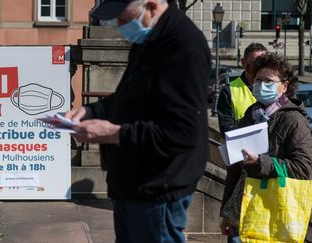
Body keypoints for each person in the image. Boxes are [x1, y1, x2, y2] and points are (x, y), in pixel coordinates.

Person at [65, 0, 211, 242]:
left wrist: (114, 133)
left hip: (158, 189)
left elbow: (183, 131)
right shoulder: (149, 39)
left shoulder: (184, 46)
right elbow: (131, 97)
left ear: (151, 6)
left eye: (124, 19)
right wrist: (94, 110)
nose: (119, 26)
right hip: (133, 186)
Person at [219, 53, 312, 242]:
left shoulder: (293, 120)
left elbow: (303, 168)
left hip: (273, 215)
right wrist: (226, 212)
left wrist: (261, 162)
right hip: (242, 211)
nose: (262, 86)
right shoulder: (251, 114)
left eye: (269, 81)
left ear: (284, 86)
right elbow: (234, 170)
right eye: (258, 80)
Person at [217, 43, 267, 136]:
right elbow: (226, 129)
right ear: (244, 63)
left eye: (264, 63)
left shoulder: (274, 88)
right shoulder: (229, 91)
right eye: (256, 63)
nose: (260, 67)